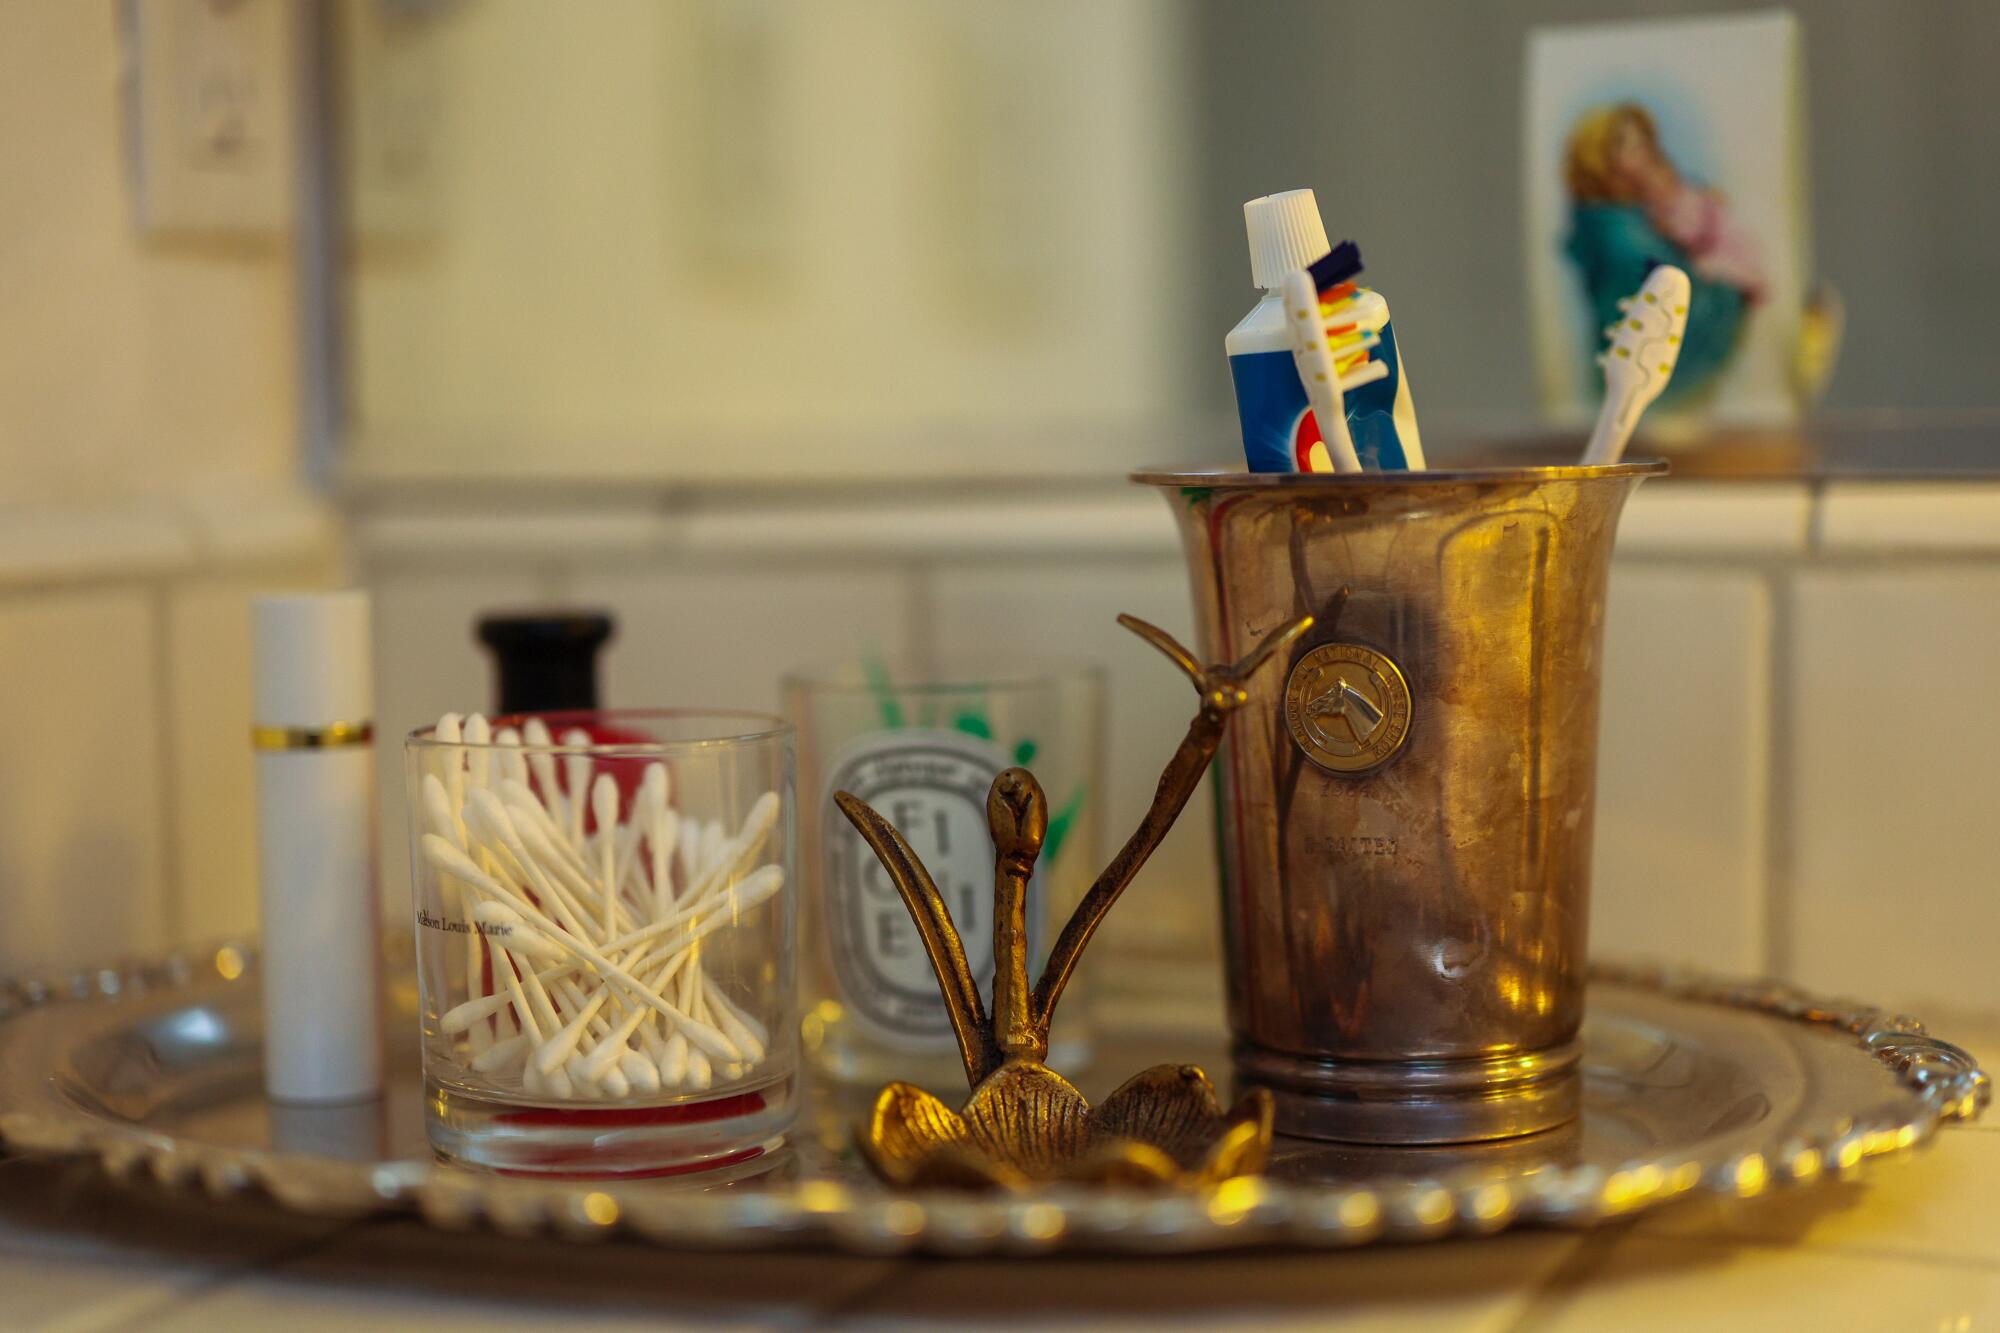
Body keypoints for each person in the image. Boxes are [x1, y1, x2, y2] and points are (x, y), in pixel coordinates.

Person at [1564, 102, 1765, 401]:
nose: (1641, 151)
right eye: (1624, 144)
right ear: (1599, 155)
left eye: (1643, 142)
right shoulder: (1619, 229)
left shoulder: (1650, 201)